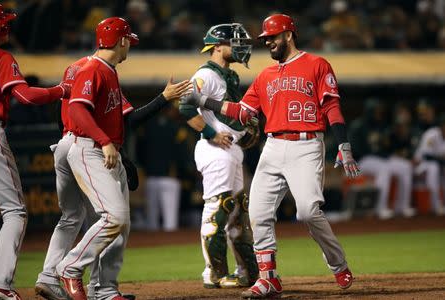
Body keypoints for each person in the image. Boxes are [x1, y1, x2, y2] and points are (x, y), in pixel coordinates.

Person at [181, 14, 360, 298]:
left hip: (306, 144)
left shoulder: (317, 64)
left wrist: (344, 146)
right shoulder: (266, 75)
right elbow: (241, 111)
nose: (268, 43)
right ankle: (269, 278)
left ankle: (337, 264)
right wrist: (203, 101)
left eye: (272, 38)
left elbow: (332, 108)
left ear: (288, 35)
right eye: (265, 39)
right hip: (273, 146)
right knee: (258, 213)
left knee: (308, 211)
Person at [52, 17, 189, 300]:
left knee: (121, 224)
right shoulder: (92, 69)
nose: (131, 47)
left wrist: (162, 98)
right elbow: (78, 111)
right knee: (112, 217)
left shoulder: (108, 72)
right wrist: (104, 141)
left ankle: (103, 290)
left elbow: (127, 122)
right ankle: (70, 267)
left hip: (105, 149)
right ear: (122, 41)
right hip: (89, 146)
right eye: (130, 41)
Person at [0, 3, 70, 299]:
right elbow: (25, 96)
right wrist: (61, 90)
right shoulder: (1, 57)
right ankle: (0, 283)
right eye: (4, 21)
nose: (9, 25)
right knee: (15, 212)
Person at [178, 23, 259, 289]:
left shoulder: (229, 75)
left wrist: (244, 133)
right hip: (214, 149)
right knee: (219, 208)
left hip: (230, 149)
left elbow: (230, 114)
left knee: (237, 211)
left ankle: (245, 270)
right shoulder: (206, 74)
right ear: (217, 46)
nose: (240, 47)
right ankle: (214, 272)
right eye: (234, 43)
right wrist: (212, 133)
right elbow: (185, 104)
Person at [413, 113, 445, 216]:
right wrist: (440, 159)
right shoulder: (431, 134)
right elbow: (426, 155)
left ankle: (438, 205)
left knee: (437, 168)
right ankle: (436, 206)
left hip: (438, 165)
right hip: (422, 164)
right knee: (433, 168)